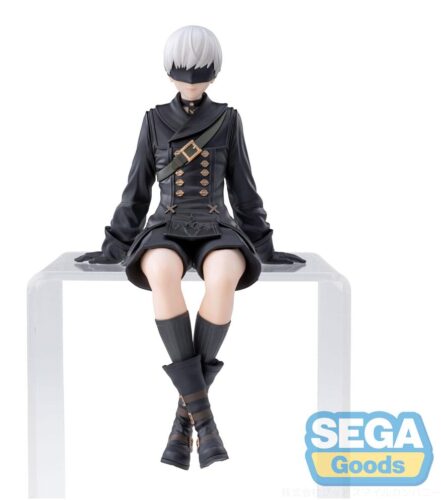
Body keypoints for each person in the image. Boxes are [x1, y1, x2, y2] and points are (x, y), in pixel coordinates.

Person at [75, 25, 305, 470]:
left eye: (201, 75)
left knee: (224, 275)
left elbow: (243, 188)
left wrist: (264, 246)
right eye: (184, 75)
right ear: (169, 74)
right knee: (161, 271)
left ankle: (188, 417)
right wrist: (113, 245)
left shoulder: (228, 119)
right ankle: (204, 421)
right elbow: (137, 188)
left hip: (216, 224)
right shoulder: (153, 120)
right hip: (168, 224)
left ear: (214, 74)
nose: (192, 83)